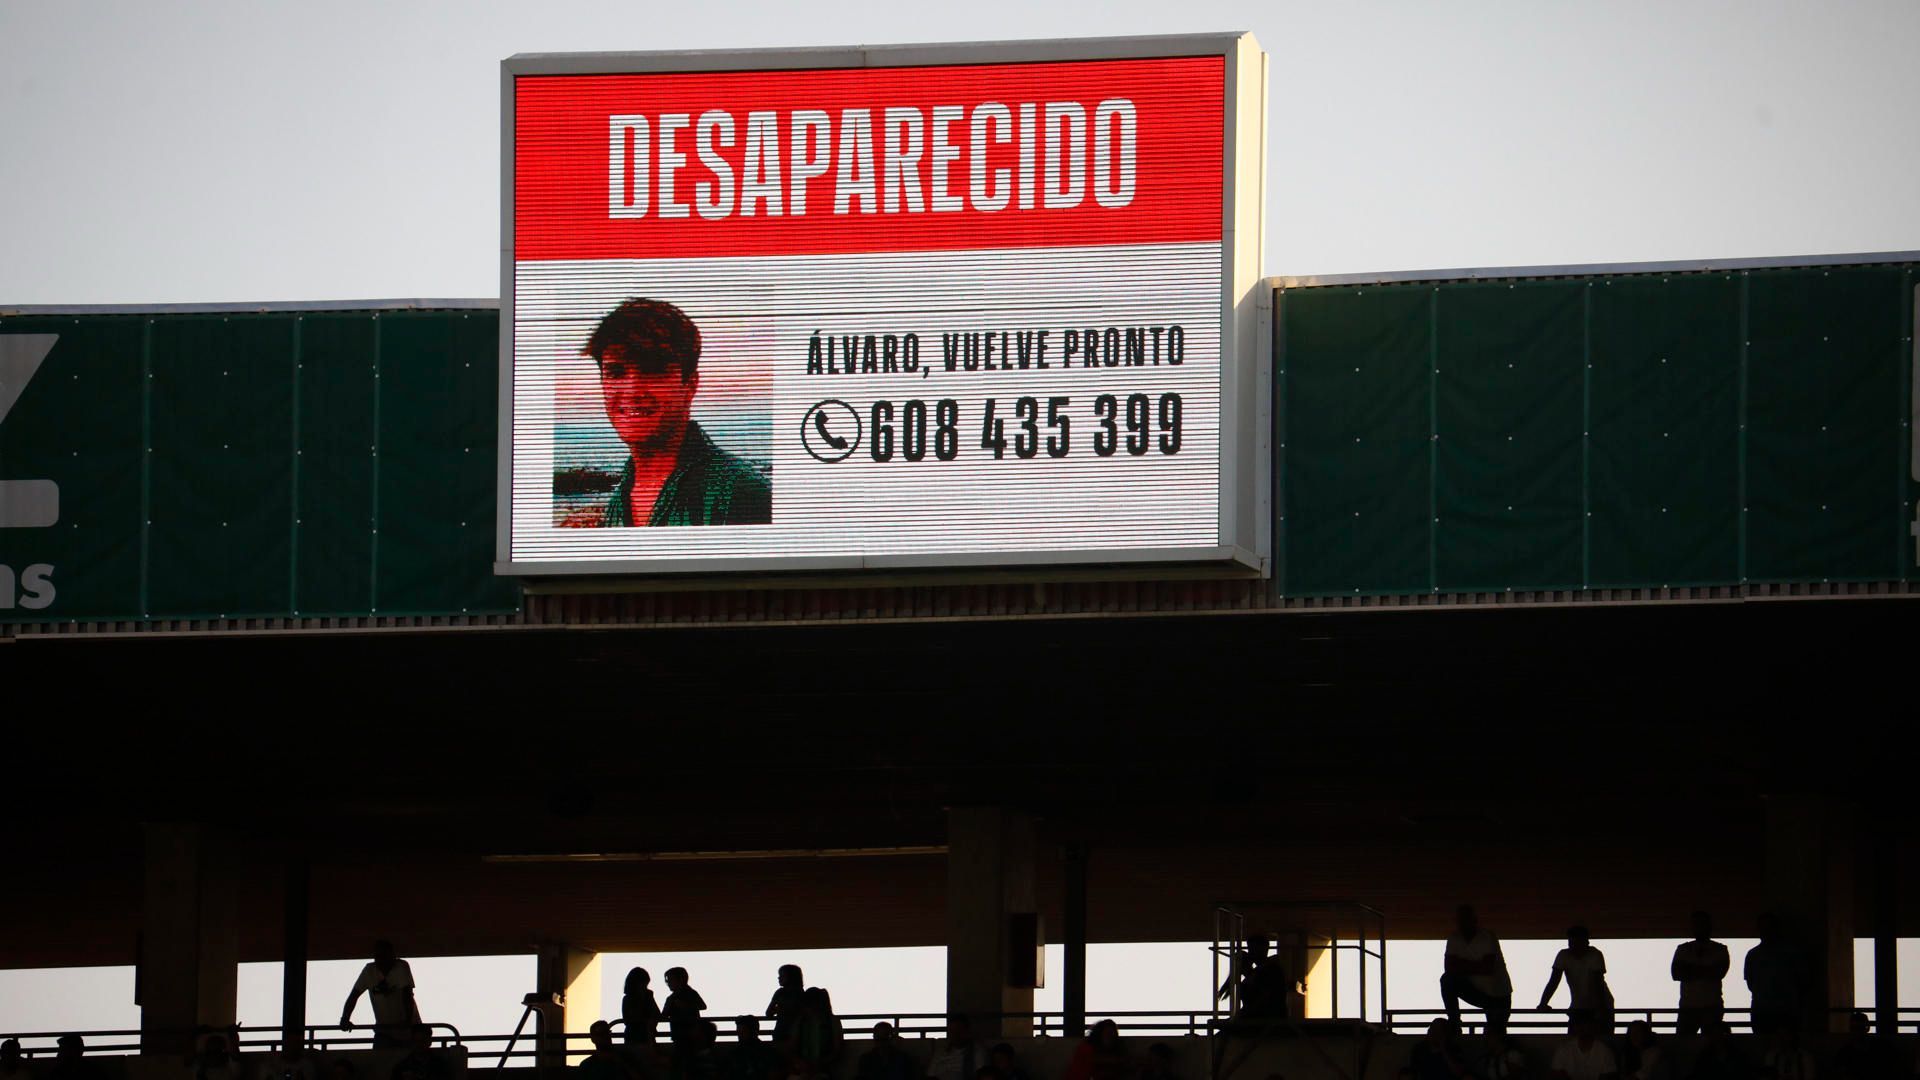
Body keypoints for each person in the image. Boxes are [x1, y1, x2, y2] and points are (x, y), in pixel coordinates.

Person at [581, 298, 772, 528]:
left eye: (652, 370)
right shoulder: (620, 498)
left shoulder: (739, 493)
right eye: (616, 373)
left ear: (690, 385)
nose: (632, 390)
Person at [1441, 905, 1512, 1037]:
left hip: (1498, 994)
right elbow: (1449, 968)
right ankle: (1455, 1022)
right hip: (1476, 990)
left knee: (1497, 1034)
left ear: (1474, 920)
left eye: (1465, 919)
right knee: (1447, 980)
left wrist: (1461, 964)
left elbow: (1487, 968)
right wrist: (1477, 965)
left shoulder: (1487, 937)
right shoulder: (1454, 938)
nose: (1462, 923)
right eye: (1460, 920)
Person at [341, 940, 420, 1050]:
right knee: (379, 1056)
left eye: (385, 956)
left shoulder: (401, 967)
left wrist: (407, 1022)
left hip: (409, 1029)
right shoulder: (369, 971)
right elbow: (353, 996)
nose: (381, 960)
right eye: (378, 956)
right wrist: (345, 1018)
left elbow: (407, 996)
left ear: (392, 956)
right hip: (384, 1030)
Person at [1539, 927, 1614, 1033]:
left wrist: (1601, 1009)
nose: (1575, 947)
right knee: (1574, 1038)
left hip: (1601, 1003)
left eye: (1578, 943)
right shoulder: (1564, 955)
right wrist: (1543, 1003)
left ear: (1586, 942)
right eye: (1572, 943)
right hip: (1578, 1005)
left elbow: (1598, 984)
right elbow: (1554, 981)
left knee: (1602, 1036)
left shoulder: (1595, 954)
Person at [1670, 913, 1730, 1036]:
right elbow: (1676, 974)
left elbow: (1718, 973)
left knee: (1709, 1041)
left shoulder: (1719, 949)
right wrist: (1707, 969)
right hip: (1692, 1006)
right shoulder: (1718, 950)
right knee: (1684, 1041)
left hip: (1707, 1006)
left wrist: (1690, 969)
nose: (1699, 928)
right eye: (1697, 925)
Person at [1744, 915, 1800, 1036]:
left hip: (1768, 1008)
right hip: (1777, 1008)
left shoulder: (1753, 954)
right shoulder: (1790, 953)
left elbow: (1750, 983)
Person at [1829, 1012, 1900, 1080]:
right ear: (1868, 1028)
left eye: (1860, 1028)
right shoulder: (1883, 1047)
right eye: (1856, 1028)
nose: (1858, 1032)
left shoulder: (1845, 1052)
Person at [1548, 1012, 1617, 1080]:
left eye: (1586, 1024)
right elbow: (1556, 1074)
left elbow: (1608, 1075)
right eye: (1580, 1025)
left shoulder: (1604, 1051)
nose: (1583, 1028)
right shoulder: (1563, 1050)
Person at [790, 987, 842, 1077]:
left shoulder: (832, 1022)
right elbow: (792, 1047)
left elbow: (837, 1050)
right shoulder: (800, 1022)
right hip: (805, 1069)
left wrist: (820, 1064)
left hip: (823, 1068)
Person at [1062, 1021, 1130, 1080]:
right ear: (1099, 1034)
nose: (1110, 1037)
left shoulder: (1114, 1050)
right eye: (1107, 1034)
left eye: (1112, 1035)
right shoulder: (1086, 1048)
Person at [662, 968, 707, 1050]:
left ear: (680, 980)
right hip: (684, 1034)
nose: (668, 983)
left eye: (670, 980)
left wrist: (686, 1006)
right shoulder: (672, 998)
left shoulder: (687, 994)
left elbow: (702, 1006)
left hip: (685, 1034)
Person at [854, 1023, 918, 1080]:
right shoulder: (866, 1059)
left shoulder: (904, 1058)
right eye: (879, 1039)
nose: (882, 1043)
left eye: (884, 1039)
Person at [766, 965, 805, 1044]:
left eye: (782, 975)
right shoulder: (801, 993)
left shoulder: (780, 993)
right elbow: (768, 1013)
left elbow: (769, 1013)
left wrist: (779, 1010)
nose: (779, 978)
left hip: (784, 1032)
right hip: (794, 1033)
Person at [624, 968, 662, 1048]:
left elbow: (657, 1013)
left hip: (644, 1035)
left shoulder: (647, 996)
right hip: (636, 1035)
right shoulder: (629, 999)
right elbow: (629, 1018)